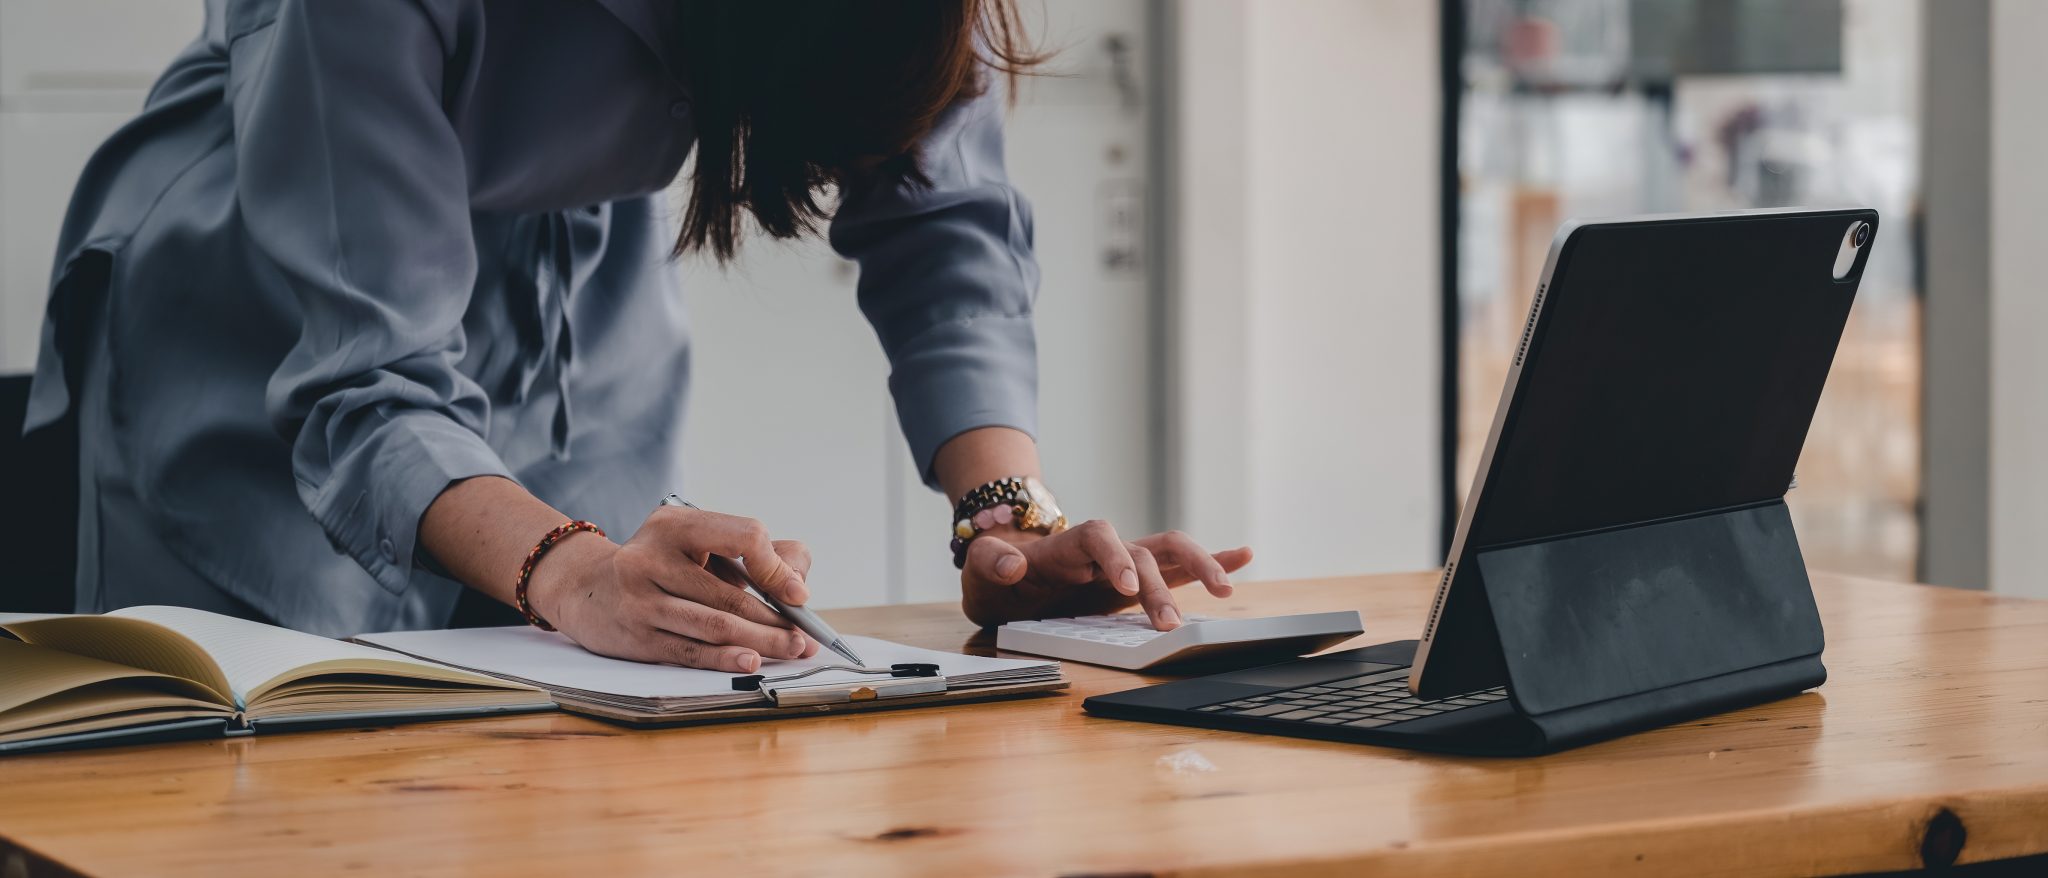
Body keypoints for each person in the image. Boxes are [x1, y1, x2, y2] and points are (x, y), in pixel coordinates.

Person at [24, 0, 1251, 672]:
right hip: (270, 299)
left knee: (582, 732)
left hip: (580, 298)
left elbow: (944, 223)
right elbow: (366, 379)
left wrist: (1004, 514)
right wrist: (567, 565)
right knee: (247, 769)